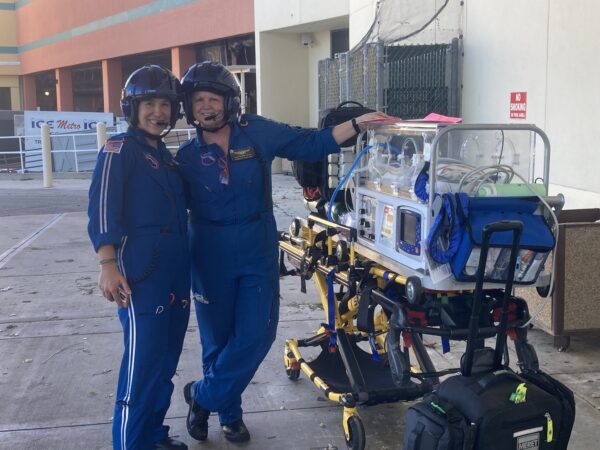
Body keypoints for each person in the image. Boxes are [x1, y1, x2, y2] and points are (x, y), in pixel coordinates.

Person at [175, 61, 389, 443]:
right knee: (217, 338)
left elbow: (311, 142)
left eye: (213, 99)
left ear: (230, 102)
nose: (205, 107)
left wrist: (357, 124)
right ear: (188, 107)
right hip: (208, 251)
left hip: (256, 245)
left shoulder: (254, 132)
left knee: (257, 334)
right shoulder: (185, 157)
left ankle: (202, 396)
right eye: (197, 101)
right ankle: (228, 414)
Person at [87, 65, 190, 450]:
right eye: (149, 103)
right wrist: (107, 264)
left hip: (176, 272)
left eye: (165, 104)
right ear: (132, 107)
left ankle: (152, 434)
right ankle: (130, 443)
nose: (158, 112)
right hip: (140, 274)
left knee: (164, 363)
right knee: (142, 365)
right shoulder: (119, 149)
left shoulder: (164, 155)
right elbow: (102, 209)